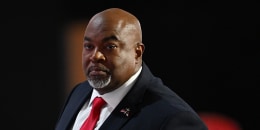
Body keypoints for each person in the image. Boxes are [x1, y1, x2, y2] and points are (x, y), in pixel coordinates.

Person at [55, 7, 208, 130]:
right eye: (89, 46)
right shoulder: (79, 93)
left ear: (137, 52)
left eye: (109, 47)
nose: (95, 56)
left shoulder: (173, 118)